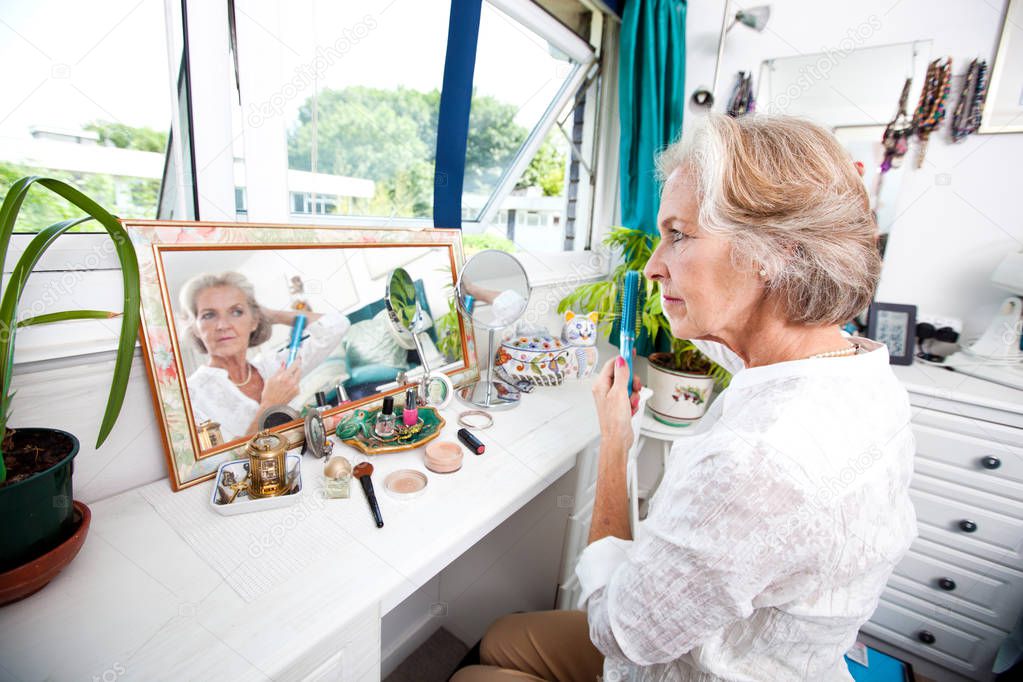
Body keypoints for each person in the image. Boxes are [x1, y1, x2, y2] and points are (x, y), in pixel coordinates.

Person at [451, 114, 918, 681]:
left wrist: (616, 445)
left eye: (679, 234)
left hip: (682, 663)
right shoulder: (853, 366)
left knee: (475, 675)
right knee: (503, 635)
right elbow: (731, 341)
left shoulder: (760, 460)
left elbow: (619, 633)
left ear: (777, 253)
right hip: (742, 644)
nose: (651, 266)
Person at [179, 271, 350, 442]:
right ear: (194, 328)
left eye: (236, 312)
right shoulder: (189, 396)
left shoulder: (273, 366)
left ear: (254, 321)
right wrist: (270, 405)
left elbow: (337, 325)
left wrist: (271, 315)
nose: (223, 325)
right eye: (208, 315)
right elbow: (223, 463)